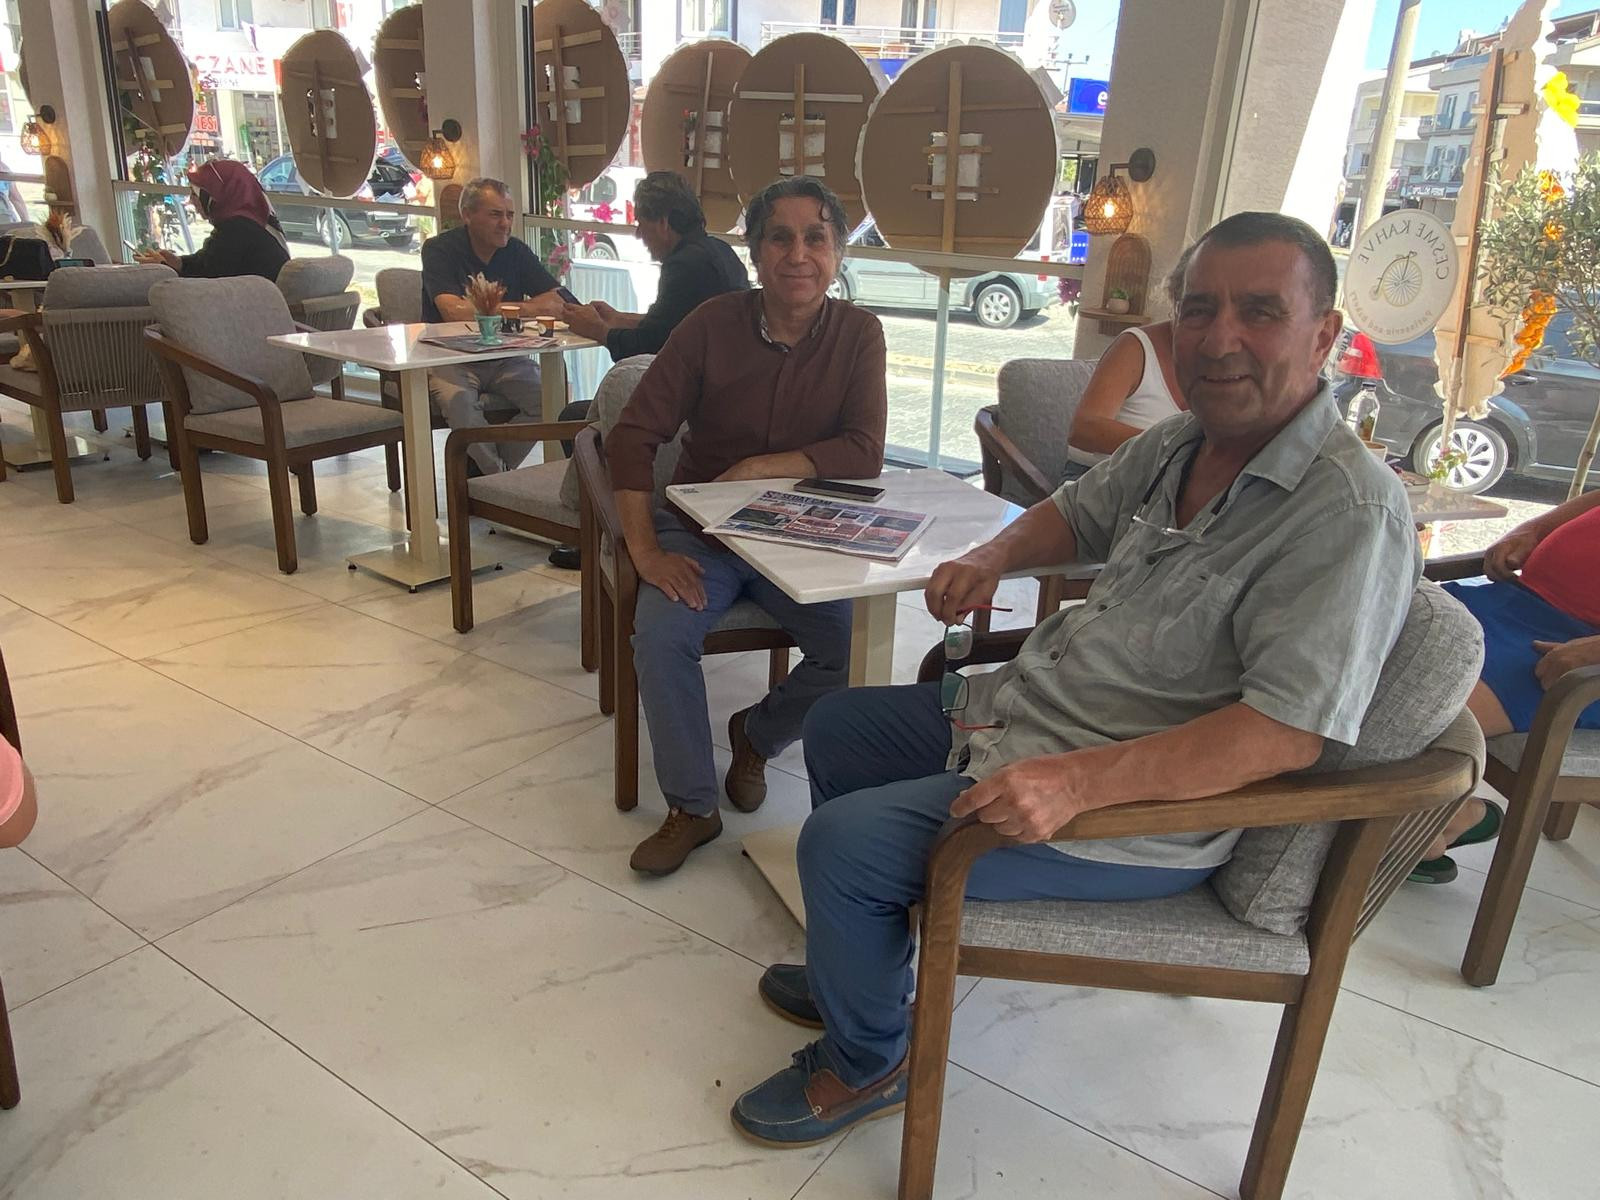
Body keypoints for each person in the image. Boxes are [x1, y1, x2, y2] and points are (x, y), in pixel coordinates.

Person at [728, 212, 1425, 1147]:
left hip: (1127, 812)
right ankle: (861, 971)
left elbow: (1286, 731)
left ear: (1324, 333)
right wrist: (993, 554)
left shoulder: (1346, 510)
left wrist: (1078, 783)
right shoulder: (1182, 443)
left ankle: (870, 1062)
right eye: (1201, 310)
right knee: (841, 728)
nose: (1219, 338)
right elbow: (1076, 513)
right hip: (1034, 718)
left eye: (1260, 311)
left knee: (842, 847)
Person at [606, 176, 887, 879]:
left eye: (816, 238)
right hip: (703, 531)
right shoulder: (710, 325)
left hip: (802, 532)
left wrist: (763, 466)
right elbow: (633, 437)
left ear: (838, 252)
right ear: (756, 252)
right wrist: (644, 550)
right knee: (661, 635)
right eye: (779, 238)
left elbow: (864, 449)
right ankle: (692, 806)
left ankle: (756, 736)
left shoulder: (860, 334)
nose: (799, 254)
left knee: (851, 650)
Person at [546, 170, 750, 570]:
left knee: (576, 419)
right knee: (581, 415)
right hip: (724, 388)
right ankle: (595, 531)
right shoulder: (717, 252)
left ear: (664, 222)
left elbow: (652, 349)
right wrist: (618, 318)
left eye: (641, 223)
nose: (639, 234)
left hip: (696, 403)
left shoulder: (684, 266)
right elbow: (676, 325)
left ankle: (601, 531)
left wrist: (599, 331)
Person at [1409, 484, 1600, 883]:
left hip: (1571, 653)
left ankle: (1415, 828)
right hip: (1513, 601)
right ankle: (1439, 817)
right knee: (1365, 650)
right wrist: (1532, 531)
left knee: (1412, 705)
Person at [421, 177, 566, 476]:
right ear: (467, 215)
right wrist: (526, 308)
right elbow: (452, 312)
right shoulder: (439, 249)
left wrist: (510, 309)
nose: (505, 224)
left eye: (509, 215)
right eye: (495, 214)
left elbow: (558, 299)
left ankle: (484, 478)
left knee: (551, 397)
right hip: (451, 357)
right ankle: (497, 478)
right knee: (460, 403)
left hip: (506, 355)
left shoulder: (515, 251)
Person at [1065, 257, 1191, 469]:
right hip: (1096, 475)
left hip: (1166, 484)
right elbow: (1082, 431)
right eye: (1197, 308)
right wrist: (1178, 447)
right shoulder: (1135, 347)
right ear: (1175, 301)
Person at [135, 159, 289, 281]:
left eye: (195, 194)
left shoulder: (236, 229)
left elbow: (207, 281)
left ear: (214, 195)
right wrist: (179, 263)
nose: (192, 200)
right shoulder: (254, 221)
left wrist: (163, 267)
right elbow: (209, 263)